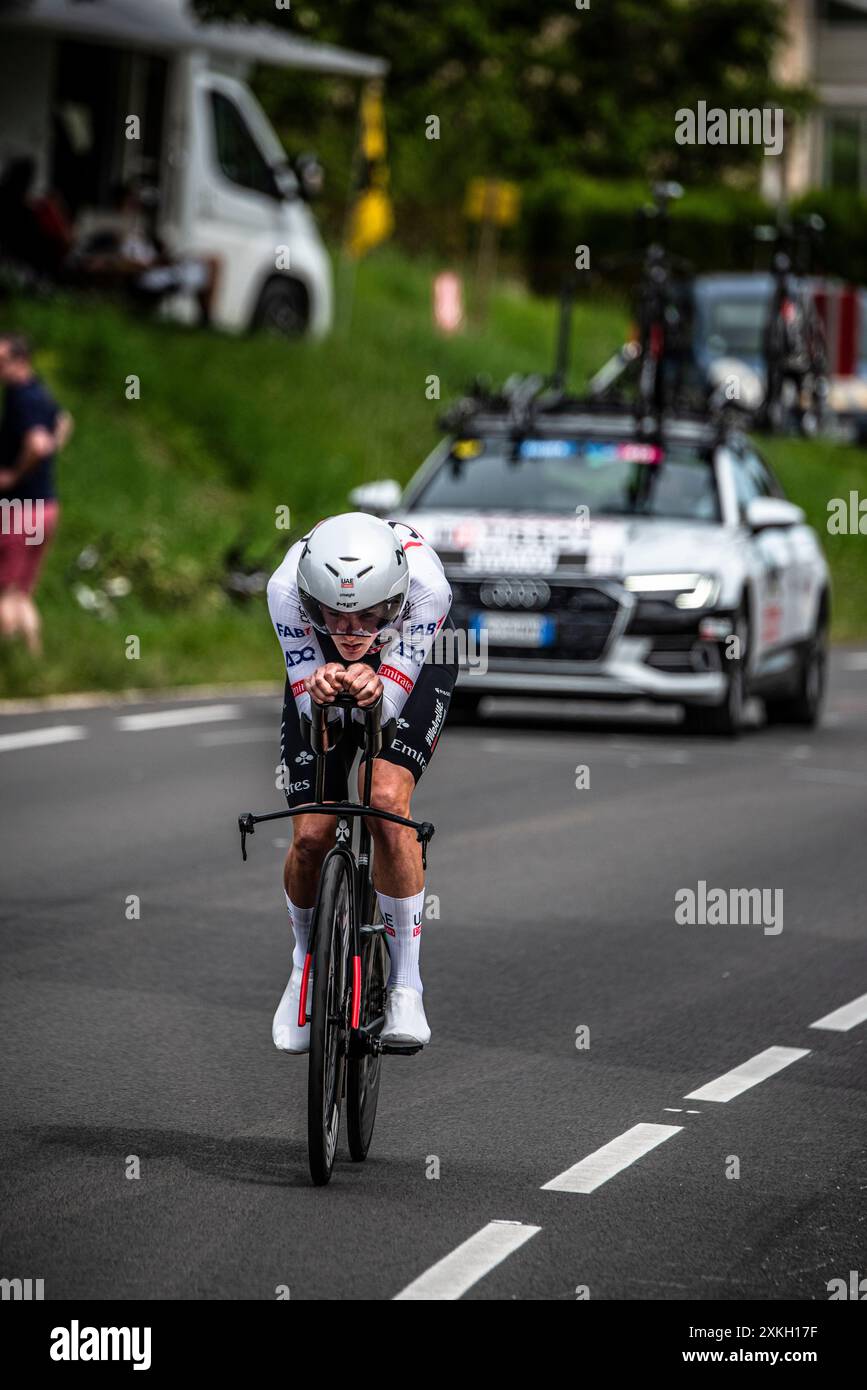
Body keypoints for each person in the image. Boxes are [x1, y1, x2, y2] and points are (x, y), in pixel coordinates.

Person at [266, 512, 457, 1051]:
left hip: (418, 656)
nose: (352, 632)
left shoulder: (427, 590)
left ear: (393, 601)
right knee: (310, 833)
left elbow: (387, 707)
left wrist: (380, 681)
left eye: (369, 617)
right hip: (315, 655)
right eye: (337, 616)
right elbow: (316, 723)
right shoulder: (285, 589)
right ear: (310, 602)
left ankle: (405, 986)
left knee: (385, 801)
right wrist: (318, 685)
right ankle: (304, 964)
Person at [0, 334, 72, 654]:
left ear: (20, 360)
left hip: (21, 508)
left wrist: (15, 474)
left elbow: (37, 443)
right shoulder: (39, 392)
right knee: (21, 593)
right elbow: (64, 421)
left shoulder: (20, 397)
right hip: (46, 507)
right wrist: (52, 452)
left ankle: (8, 662)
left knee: (4, 590)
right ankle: (33, 657)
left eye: (1, 361)